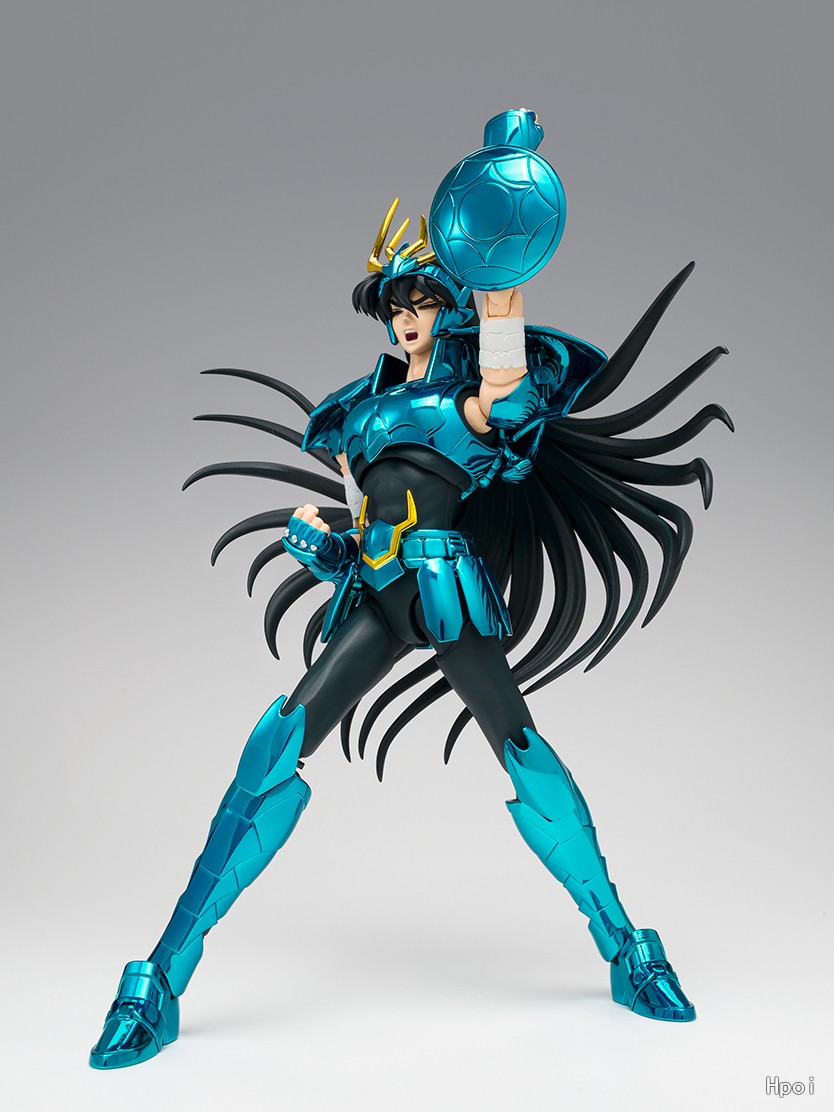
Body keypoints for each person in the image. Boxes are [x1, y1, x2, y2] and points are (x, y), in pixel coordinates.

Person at [89, 198, 730, 1070]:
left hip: (447, 591)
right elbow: (367, 525)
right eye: (396, 306)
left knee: (521, 748)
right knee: (274, 745)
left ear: (448, 309)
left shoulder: (463, 401)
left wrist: (501, 292)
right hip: (379, 594)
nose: (407, 318)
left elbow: (505, 400)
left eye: (423, 302)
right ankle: (160, 977)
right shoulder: (355, 414)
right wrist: (324, 548)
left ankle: (626, 945)